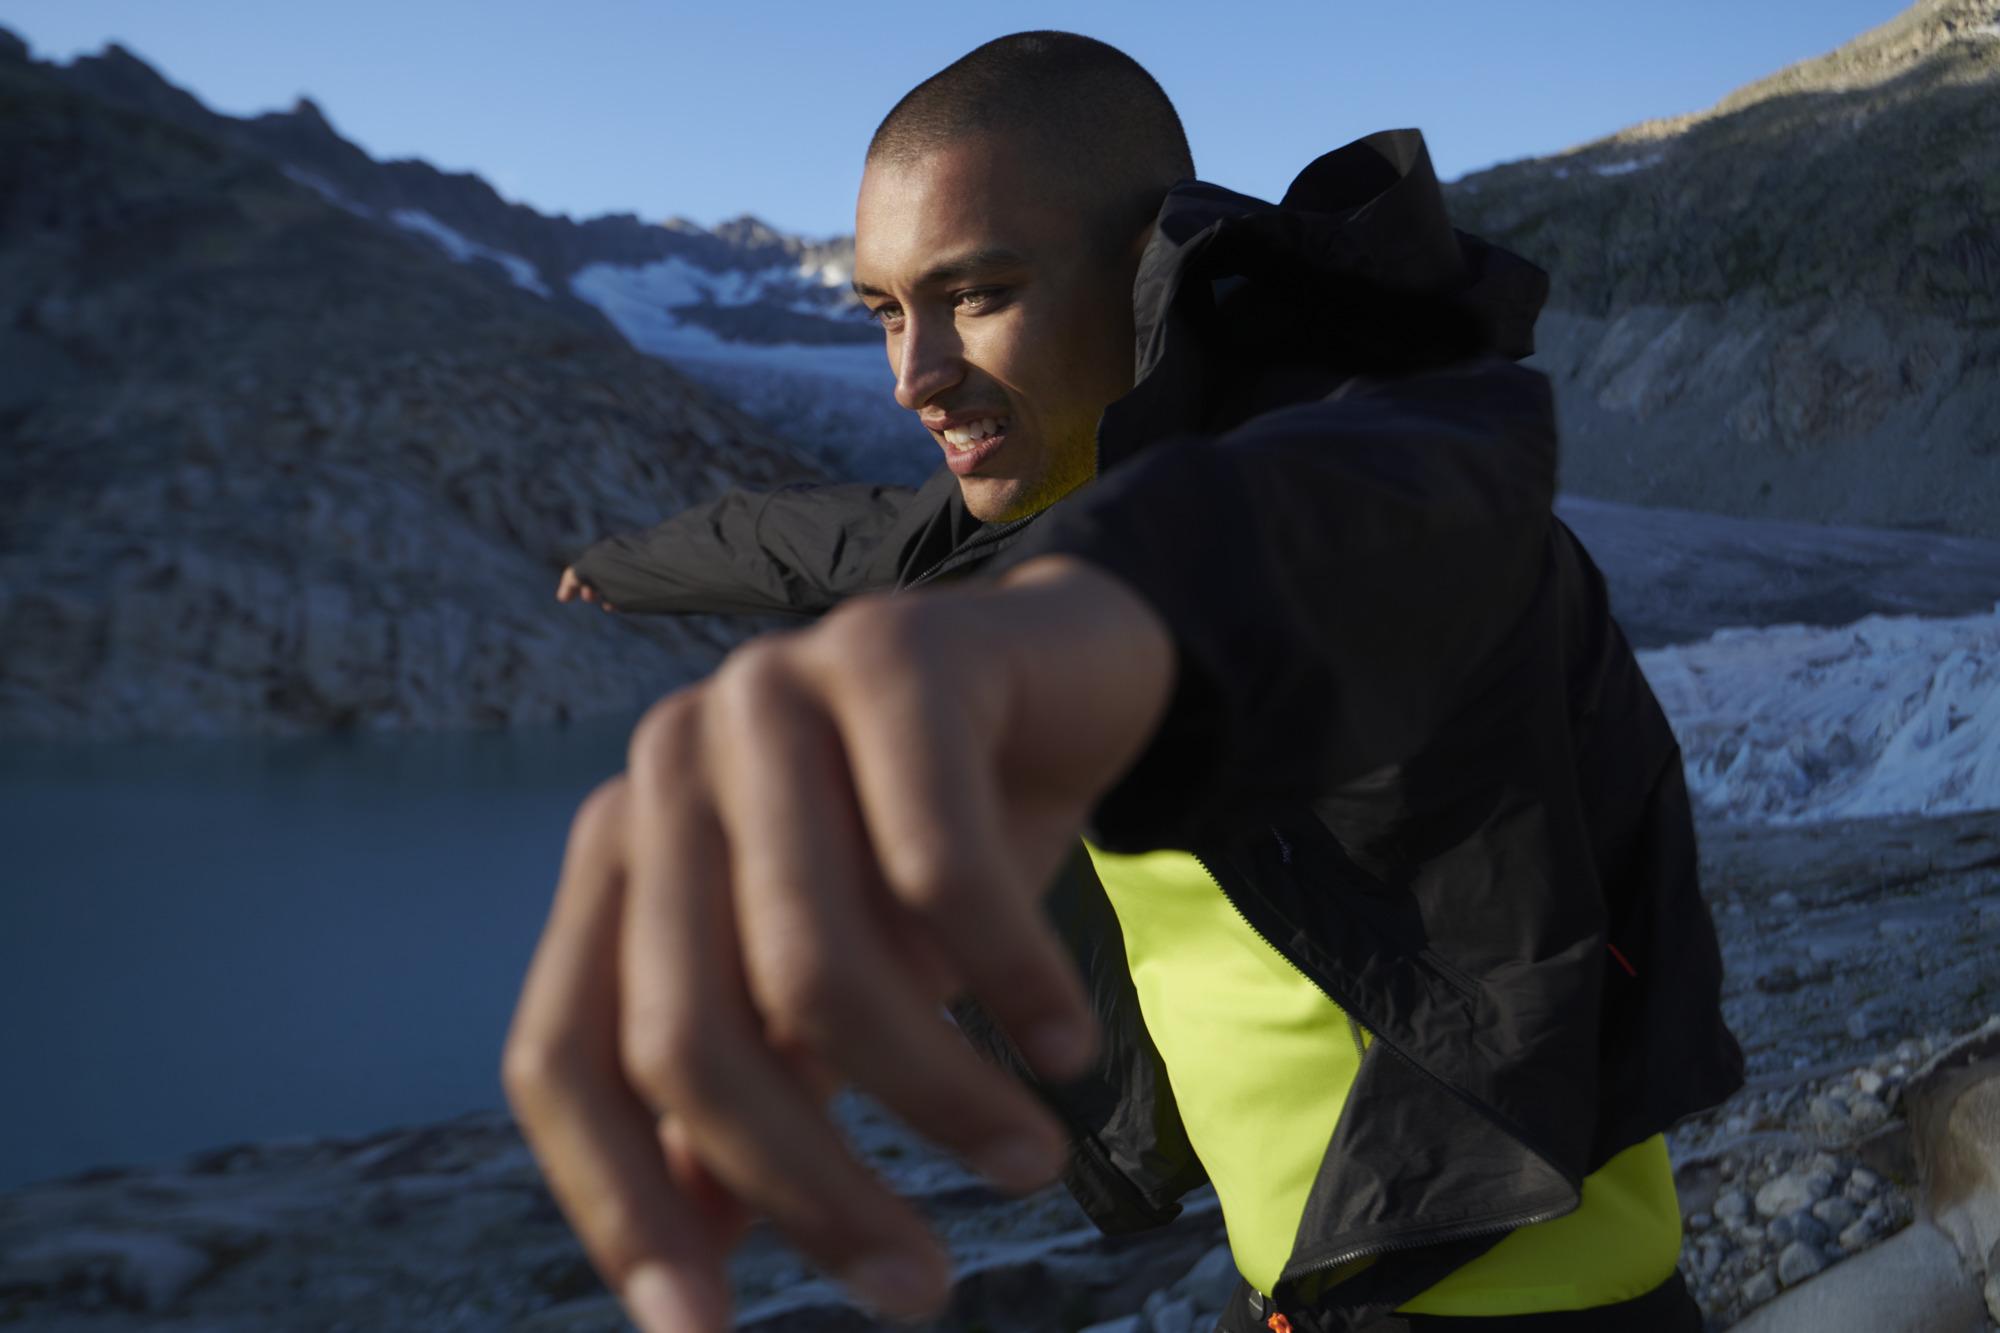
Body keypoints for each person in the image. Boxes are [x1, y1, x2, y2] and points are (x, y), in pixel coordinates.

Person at [510, 31, 1743, 1333]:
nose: (913, 376)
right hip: (1317, 1289)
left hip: (1522, 1307)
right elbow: (805, 539)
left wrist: (1049, 629)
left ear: (1144, 266)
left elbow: (1338, 516)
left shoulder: (1374, 456)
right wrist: (612, 568)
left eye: (976, 294)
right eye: (884, 311)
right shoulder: (1032, 500)